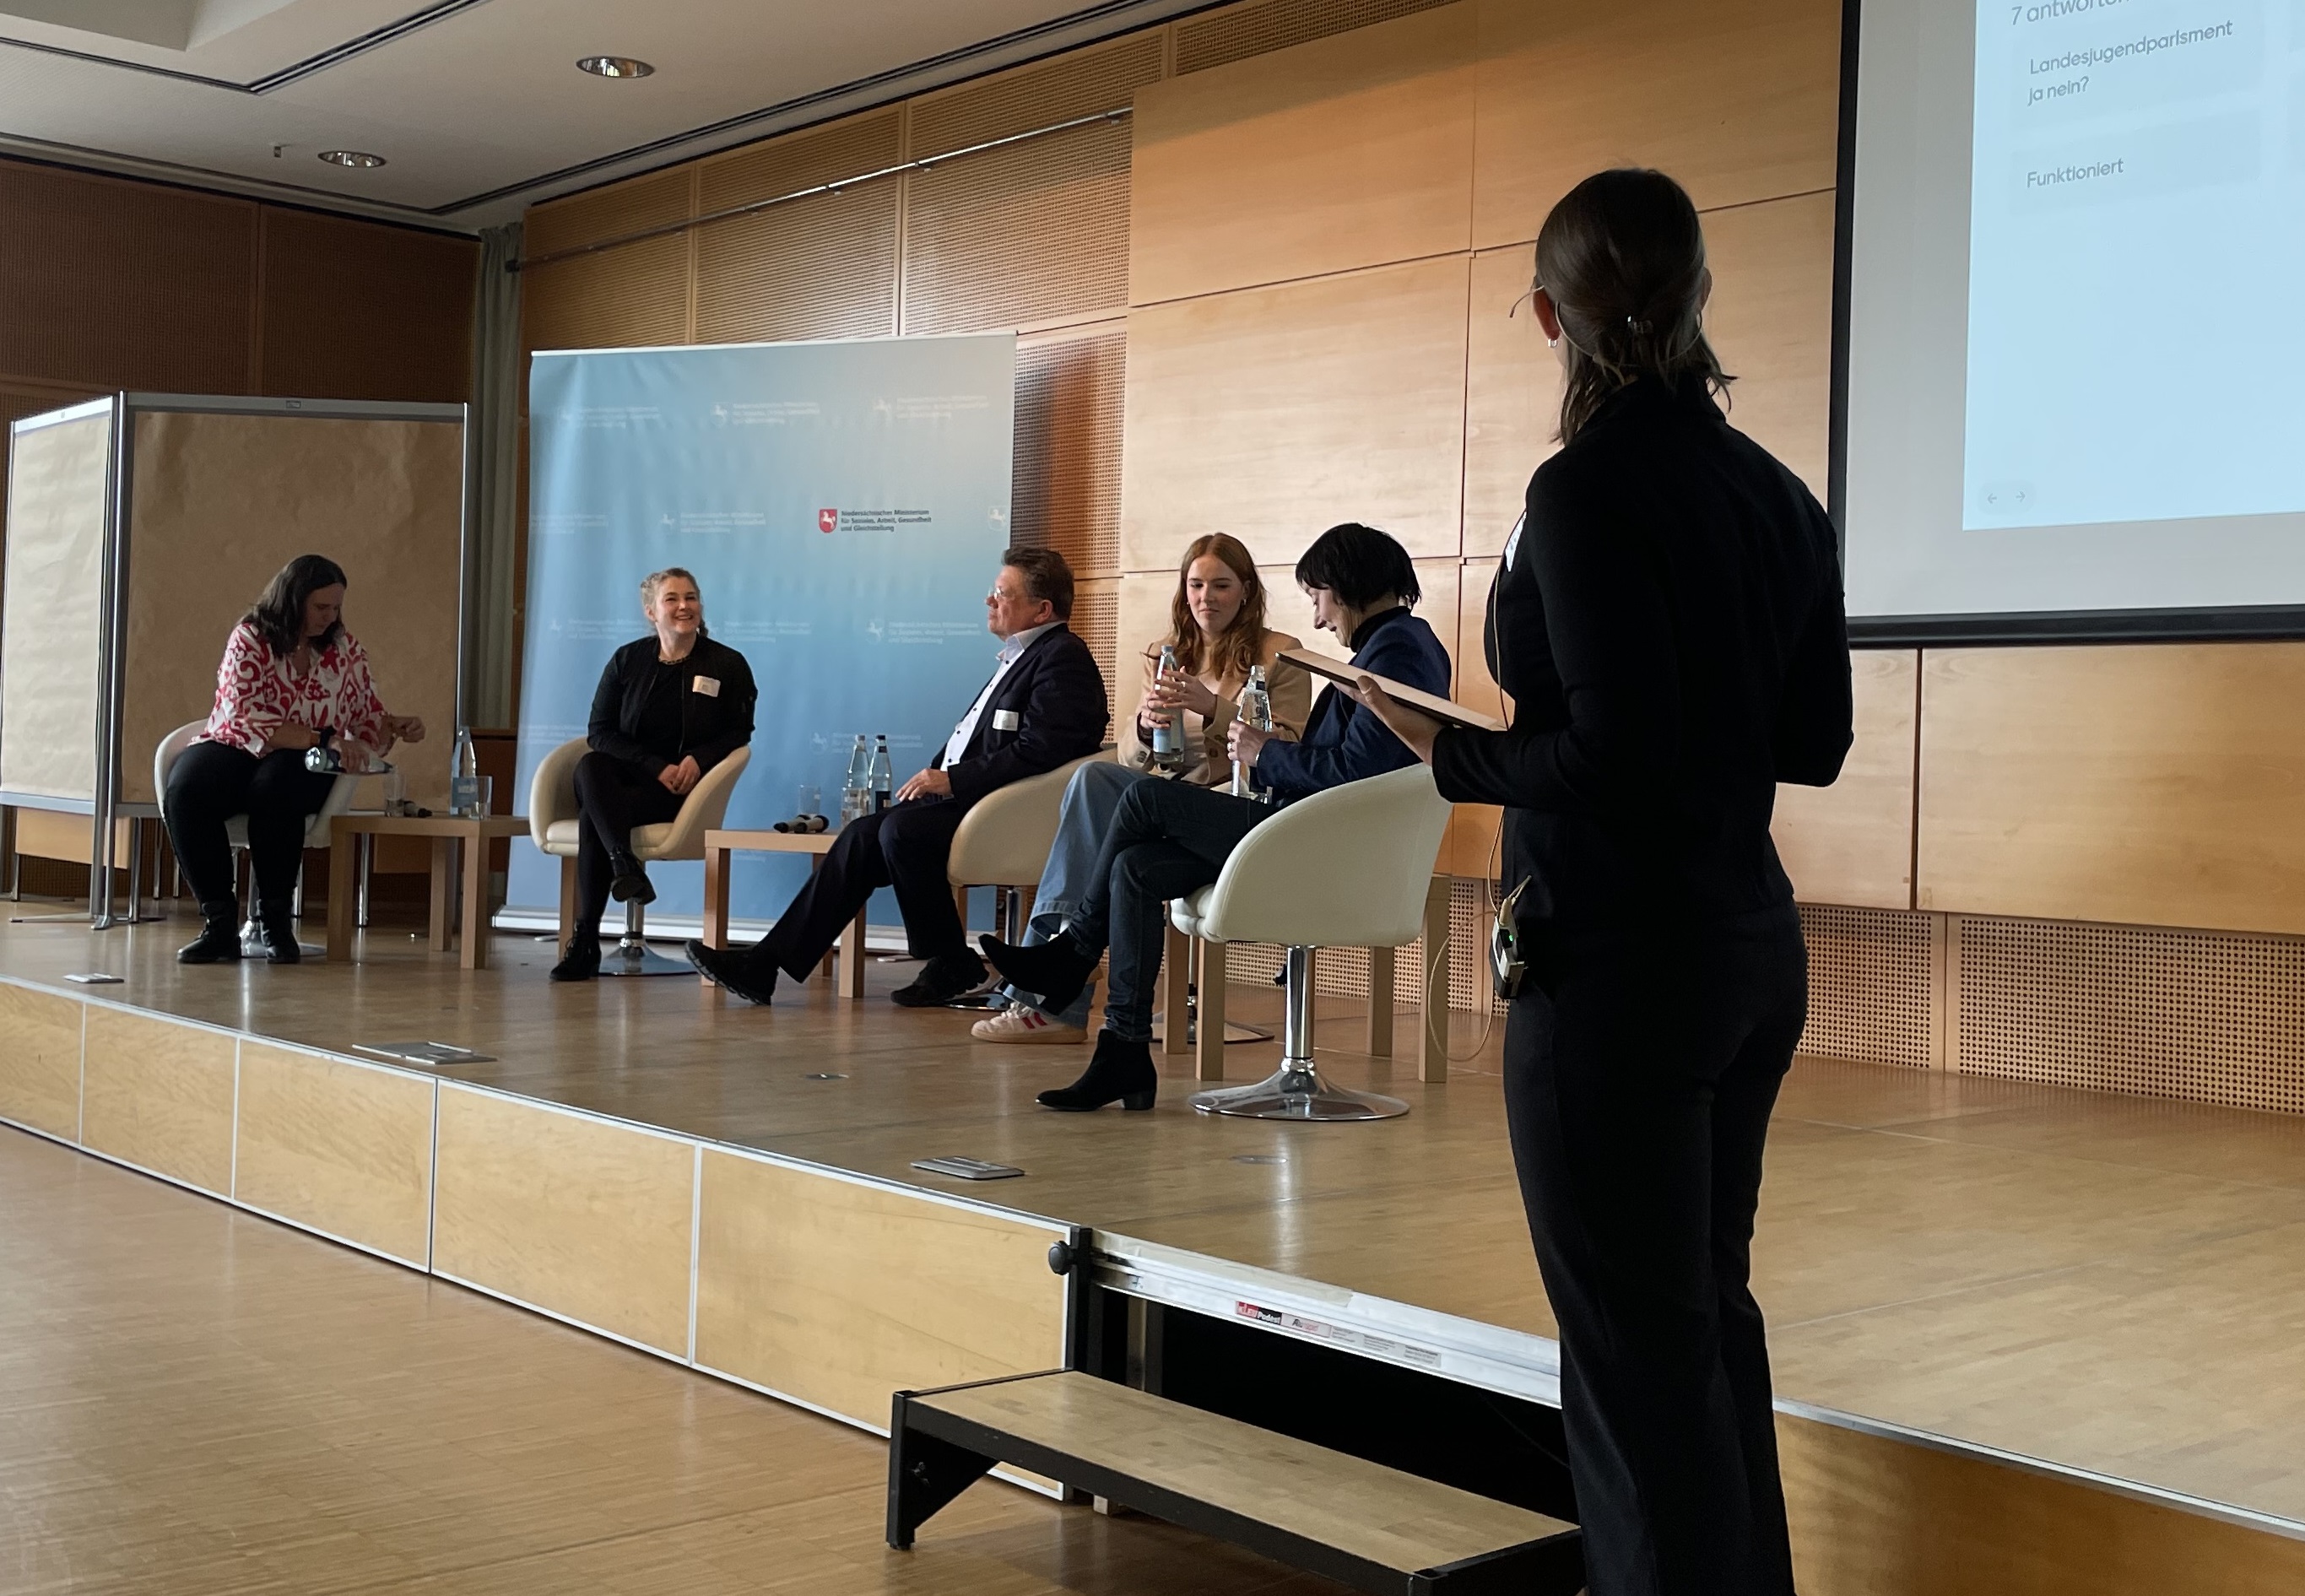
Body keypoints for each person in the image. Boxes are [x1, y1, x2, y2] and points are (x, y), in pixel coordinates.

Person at [1355, 170, 1853, 1596]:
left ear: (1543, 315)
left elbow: (1610, 752)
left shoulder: (1577, 491)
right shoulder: (1780, 494)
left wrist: (1449, 752)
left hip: (1616, 965)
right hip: (1746, 948)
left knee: (1633, 1357)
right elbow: (1813, 743)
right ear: (1702, 295)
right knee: (1698, 1315)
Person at [981, 522, 1451, 1108]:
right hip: (1302, 828)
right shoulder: (1391, 646)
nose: (1318, 618)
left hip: (1318, 843)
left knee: (1143, 799)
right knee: (1134, 867)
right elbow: (1351, 763)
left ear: (1348, 585)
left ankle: (1072, 953)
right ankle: (1122, 1051)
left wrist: (1263, 751)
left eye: (1319, 597)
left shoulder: (1398, 651)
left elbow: (1356, 771)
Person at [685, 547, 1107, 1007]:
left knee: (902, 831)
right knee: (861, 837)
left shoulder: (1063, 658)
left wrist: (952, 779)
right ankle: (765, 965)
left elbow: (1045, 749)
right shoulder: (1021, 657)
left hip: (1004, 810)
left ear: (1042, 610)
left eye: (1002, 594)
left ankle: (949, 960)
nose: (990, 601)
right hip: (973, 801)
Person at [971, 533, 1309, 1044]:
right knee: (1094, 779)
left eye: (1221, 585)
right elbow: (1131, 757)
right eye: (1196, 585)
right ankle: (1062, 965)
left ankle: (1049, 990)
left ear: (1246, 591)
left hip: (1230, 807)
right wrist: (1147, 729)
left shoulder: (1279, 655)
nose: (1206, 597)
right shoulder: (1166, 653)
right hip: (1159, 802)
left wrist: (1213, 708)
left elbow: (1287, 749)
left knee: (1133, 823)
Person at [164, 555, 426, 965]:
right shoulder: (250, 638)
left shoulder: (344, 649)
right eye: (321, 607)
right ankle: (219, 925)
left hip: (304, 759)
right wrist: (321, 736)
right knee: (186, 789)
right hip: (239, 743)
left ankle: (275, 921)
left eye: (336, 607)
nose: (330, 617)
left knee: (276, 786)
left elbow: (365, 716)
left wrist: (393, 725)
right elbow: (244, 714)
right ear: (293, 600)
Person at [550, 567, 756, 982]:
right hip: (626, 780)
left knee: (595, 814)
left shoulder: (727, 664)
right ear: (651, 612)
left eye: (691, 597)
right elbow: (599, 732)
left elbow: (740, 731)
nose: (684, 606)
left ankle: (586, 939)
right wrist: (653, 766)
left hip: (683, 791)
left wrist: (698, 759)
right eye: (672, 599)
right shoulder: (627, 660)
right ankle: (623, 864)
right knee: (590, 766)